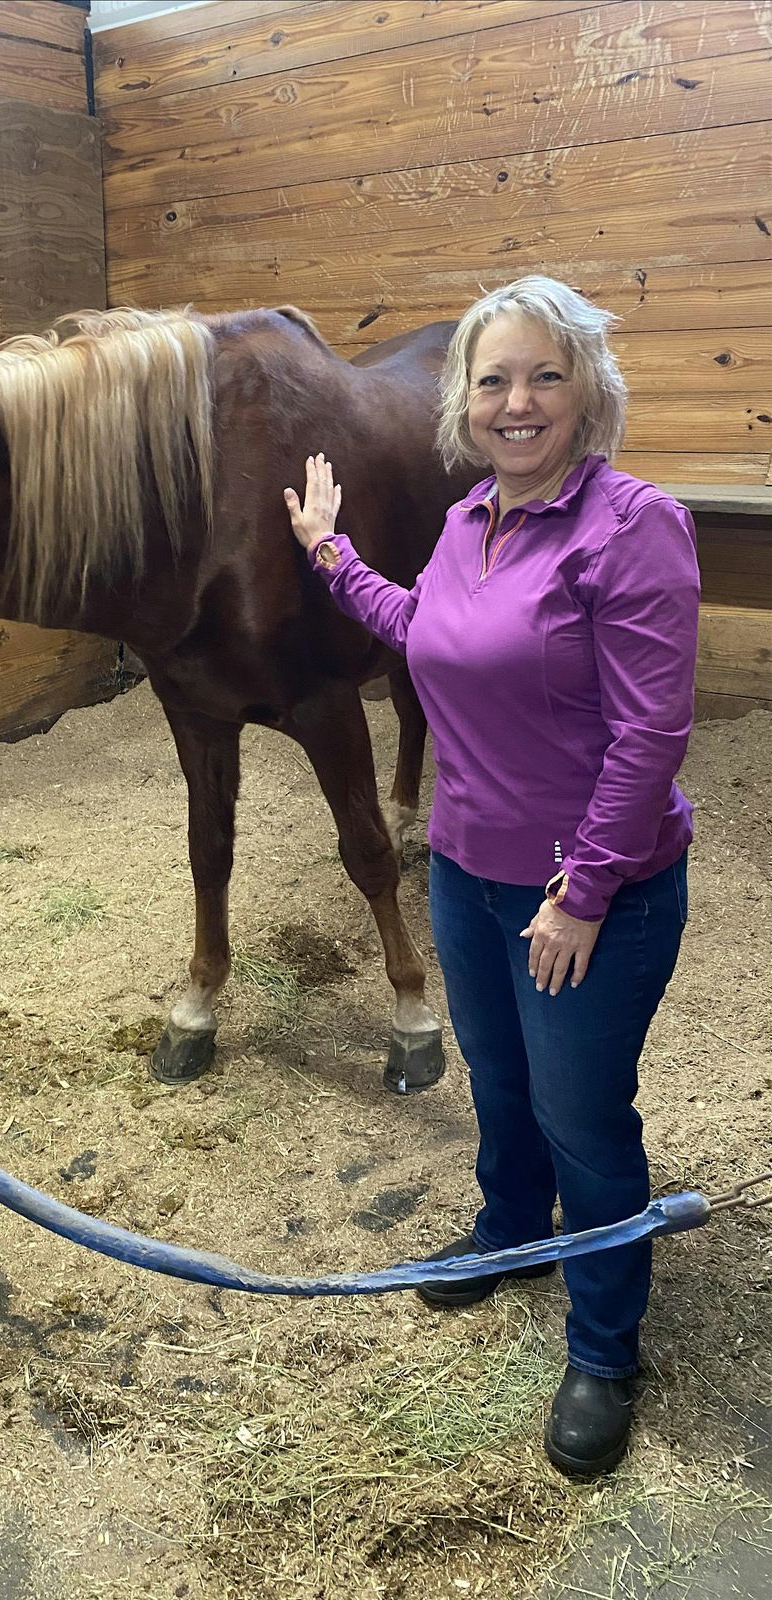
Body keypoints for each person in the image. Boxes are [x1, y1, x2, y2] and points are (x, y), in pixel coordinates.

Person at [283, 275, 698, 1478]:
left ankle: (607, 1345)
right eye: (493, 379)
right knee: (501, 1082)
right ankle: (511, 1231)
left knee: (583, 1115)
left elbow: (650, 736)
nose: (517, 402)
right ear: (464, 401)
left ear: (586, 394)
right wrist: (330, 554)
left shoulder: (634, 526)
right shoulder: (472, 520)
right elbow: (423, 632)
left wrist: (582, 889)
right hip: (463, 874)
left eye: (545, 376)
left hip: (587, 893)